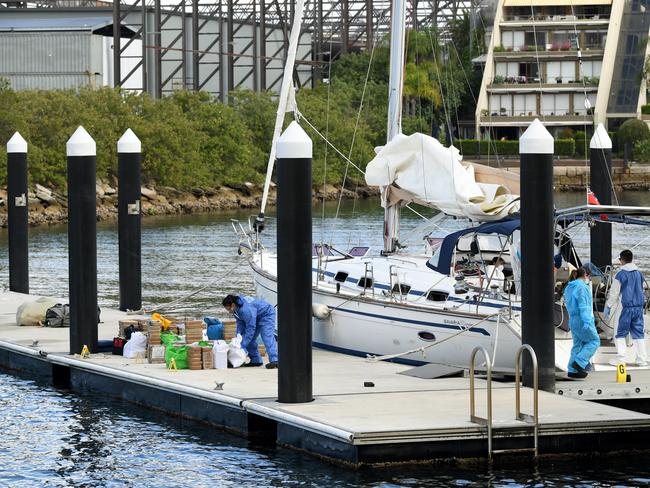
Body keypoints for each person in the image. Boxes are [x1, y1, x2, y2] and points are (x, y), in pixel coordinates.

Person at [605, 250, 647, 366]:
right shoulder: (639, 273)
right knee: (638, 334)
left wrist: (608, 306)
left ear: (622, 260)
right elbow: (642, 289)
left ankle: (621, 359)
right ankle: (641, 360)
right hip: (638, 308)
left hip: (625, 308)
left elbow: (614, 293)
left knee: (620, 333)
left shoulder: (620, 274)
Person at [222, 294, 279, 369]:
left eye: (228, 309)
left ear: (232, 305)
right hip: (255, 315)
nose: (228, 311)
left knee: (266, 335)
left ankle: (275, 360)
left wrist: (243, 345)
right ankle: (256, 360)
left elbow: (251, 329)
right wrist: (239, 334)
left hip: (266, 314)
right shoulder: (236, 309)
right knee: (245, 337)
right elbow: (240, 323)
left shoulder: (246, 310)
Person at [564, 267, 600, 378]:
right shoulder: (582, 288)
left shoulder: (569, 287)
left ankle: (572, 370)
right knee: (594, 341)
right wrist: (587, 321)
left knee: (578, 344)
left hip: (572, 319)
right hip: (582, 319)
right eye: (589, 277)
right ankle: (579, 363)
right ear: (586, 276)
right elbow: (583, 306)